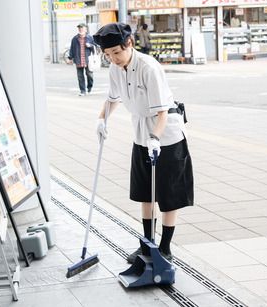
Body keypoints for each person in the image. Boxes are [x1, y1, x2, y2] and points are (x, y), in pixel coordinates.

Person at [93, 23, 194, 263]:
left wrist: (156, 139)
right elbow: (112, 99)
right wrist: (101, 120)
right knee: (145, 193)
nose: (113, 59)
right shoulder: (115, 69)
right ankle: (148, 246)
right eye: (108, 55)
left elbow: (161, 113)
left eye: (116, 52)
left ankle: (165, 248)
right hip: (141, 136)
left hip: (166, 136)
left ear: (129, 44)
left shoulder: (149, 67)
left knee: (168, 194)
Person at [69, 23, 95, 96]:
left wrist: (90, 45)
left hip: (88, 60)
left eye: (82, 28)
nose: (81, 29)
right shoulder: (75, 38)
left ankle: (89, 87)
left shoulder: (90, 38)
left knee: (89, 75)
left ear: (85, 29)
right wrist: (70, 58)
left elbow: (95, 47)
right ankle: (82, 91)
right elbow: (72, 49)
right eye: (79, 28)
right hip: (78, 59)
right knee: (80, 77)